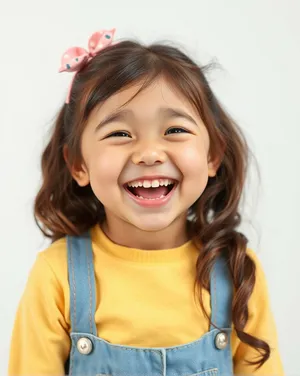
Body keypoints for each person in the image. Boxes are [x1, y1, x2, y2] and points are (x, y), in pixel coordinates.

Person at [8, 28, 284, 376]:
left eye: (174, 130)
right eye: (119, 134)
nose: (150, 153)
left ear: (213, 154)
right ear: (78, 164)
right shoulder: (56, 276)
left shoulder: (237, 270)